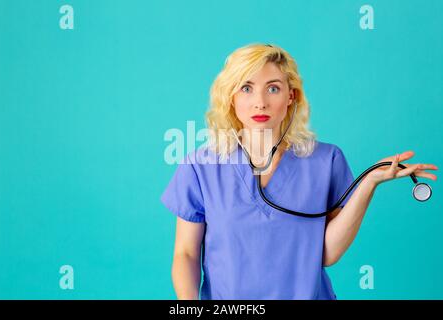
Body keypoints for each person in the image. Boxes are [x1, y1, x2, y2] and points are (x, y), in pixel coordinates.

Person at [160, 43, 438, 300]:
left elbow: (326, 254)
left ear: (291, 96)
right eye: (246, 88)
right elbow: (185, 254)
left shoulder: (326, 160)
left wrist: (369, 183)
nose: (260, 102)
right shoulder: (200, 166)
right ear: (231, 97)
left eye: (273, 88)